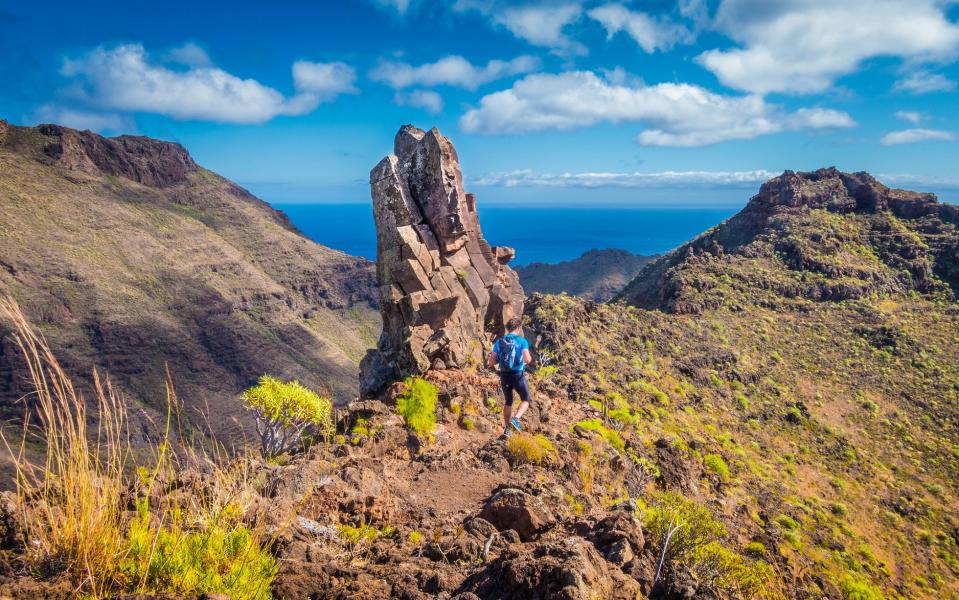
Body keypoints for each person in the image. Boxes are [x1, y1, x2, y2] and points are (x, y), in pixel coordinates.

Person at [488, 317, 533, 437]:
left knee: (508, 402)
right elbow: (528, 359)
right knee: (526, 399)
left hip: (504, 375)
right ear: (518, 328)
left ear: (507, 328)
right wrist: (523, 362)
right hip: (517, 375)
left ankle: (507, 429)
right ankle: (516, 419)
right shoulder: (522, 341)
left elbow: (491, 362)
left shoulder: (499, 341)